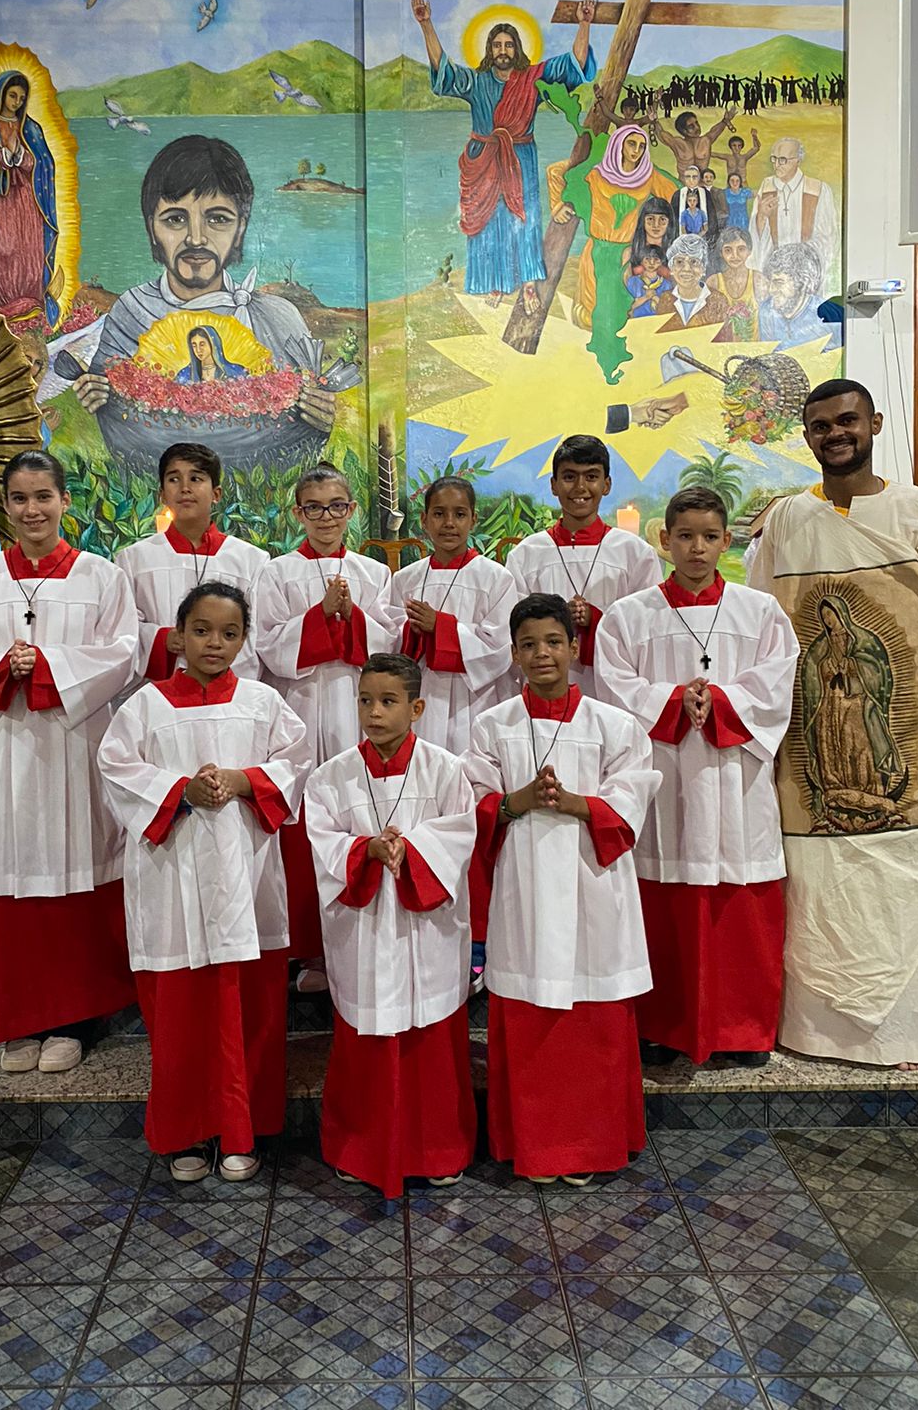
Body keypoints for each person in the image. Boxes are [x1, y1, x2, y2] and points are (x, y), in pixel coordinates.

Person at [747, 379, 918, 1068]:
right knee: (820, 880)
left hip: (901, 740)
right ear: (808, 437)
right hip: (812, 743)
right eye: (820, 426)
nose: (835, 434)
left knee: (906, 875)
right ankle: (813, 1030)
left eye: (846, 420)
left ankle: (907, 1035)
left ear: (874, 423)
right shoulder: (788, 519)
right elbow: (762, 634)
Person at [0, 451, 139, 1073]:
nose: (32, 510)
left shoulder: (103, 578)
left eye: (44, 496)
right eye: (20, 499)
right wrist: (2, 668)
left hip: (73, 751)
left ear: (65, 500)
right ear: (6, 506)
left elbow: (122, 654)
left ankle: (74, 1020)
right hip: (5, 754)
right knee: (12, 882)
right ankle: (19, 1022)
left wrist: (45, 668)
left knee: (76, 879)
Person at [98, 583, 309, 1183]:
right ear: (178, 635)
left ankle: (243, 1131)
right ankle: (188, 1130)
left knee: (250, 1006)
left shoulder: (265, 703)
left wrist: (244, 781)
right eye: (201, 631)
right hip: (173, 878)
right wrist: (179, 792)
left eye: (229, 633)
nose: (214, 644)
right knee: (181, 1012)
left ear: (245, 640)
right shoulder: (143, 707)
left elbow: (297, 761)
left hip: (247, 877)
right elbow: (115, 769)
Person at [595, 487, 799, 1067]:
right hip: (666, 779)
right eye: (685, 536)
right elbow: (614, 690)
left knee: (740, 897)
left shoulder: (758, 612)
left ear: (727, 539)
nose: (697, 548)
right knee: (664, 904)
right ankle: (666, 1024)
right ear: (664, 541)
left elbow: (778, 680)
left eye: (710, 536)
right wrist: (673, 702)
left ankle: (742, 1028)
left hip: (736, 779)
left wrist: (725, 704)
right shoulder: (630, 616)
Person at [464, 593, 660, 1183]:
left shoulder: (613, 724)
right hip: (524, 888)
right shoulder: (492, 725)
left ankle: (590, 1146)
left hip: (592, 886)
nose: (541, 653)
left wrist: (578, 804)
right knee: (531, 1017)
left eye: (553, 641)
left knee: (592, 1016)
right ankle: (536, 1146)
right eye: (528, 644)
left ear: (575, 648)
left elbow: (633, 795)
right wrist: (512, 803)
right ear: (515, 653)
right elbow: (470, 802)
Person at [305, 654, 478, 1197]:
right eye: (364, 701)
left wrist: (413, 851)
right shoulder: (330, 775)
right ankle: (361, 1147)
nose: (374, 713)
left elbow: (459, 837)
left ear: (417, 707)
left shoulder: (445, 770)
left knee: (431, 1041)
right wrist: (365, 851)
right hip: (365, 929)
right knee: (363, 1042)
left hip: (425, 932)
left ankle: (437, 1149)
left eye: (388, 701)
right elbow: (322, 842)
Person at [256, 463, 399, 993]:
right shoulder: (276, 572)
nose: (325, 517)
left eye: (336, 506)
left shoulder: (373, 572)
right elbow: (267, 644)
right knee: (306, 826)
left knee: (356, 818)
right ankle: (312, 952)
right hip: (302, 708)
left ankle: (361, 934)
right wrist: (320, 616)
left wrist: (351, 617)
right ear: (298, 512)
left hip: (359, 709)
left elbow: (388, 641)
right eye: (313, 507)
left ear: (351, 511)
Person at [72, 136, 315, 413]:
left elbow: (307, 410)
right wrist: (95, 395)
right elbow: (107, 411)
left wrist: (318, 410)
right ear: (152, 228)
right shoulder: (132, 311)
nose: (196, 239)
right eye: (175, 219)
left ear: (241, 229)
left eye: (218, 219)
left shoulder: (278, 316)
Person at [411, 0, 598, 314]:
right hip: (483, 159)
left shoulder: (533, 79)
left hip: (520, 158)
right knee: (487, 221)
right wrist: (426, 24)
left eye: (508, 44)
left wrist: (584, 24)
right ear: (489, 49)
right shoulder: (477, 81)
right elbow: (444, 73)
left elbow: (574, 65)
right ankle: (494, 283)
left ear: (517, 48)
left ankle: (527, 283)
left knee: (523, 221)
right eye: (497, 45)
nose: (502, 50)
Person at [505, 435, 662, 700]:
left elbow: (649, 631)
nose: (580, 487)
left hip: (616, 693)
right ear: (554, 485)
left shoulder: (635, 553)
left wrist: (596, 621)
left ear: (607, 484)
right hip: (546, 693)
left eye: (591, 476)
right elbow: (514, 629)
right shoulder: (527, 555)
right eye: (569, 477)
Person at [115, 442, 267, 685]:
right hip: (159, 693)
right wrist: (163, 639)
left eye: (196, 478)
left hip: (227, 696)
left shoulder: (250, 560)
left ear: (216, 494)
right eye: (174, 479)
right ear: (162, 494)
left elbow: (257, 634)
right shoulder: (134, 559)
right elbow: (122, 630)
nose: (185, 488)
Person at [389, 477, 517, 754]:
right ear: (424, 520)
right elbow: (390, 641)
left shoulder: (496, 578)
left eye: (459, 514)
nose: (449, 523)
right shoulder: (405, 579)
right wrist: (413, 632)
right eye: (439, 514)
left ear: (473, 519)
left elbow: (499, 647)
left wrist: (440, 626)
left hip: (474, 698)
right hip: (422, 693)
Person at [548, 126, 678, 370]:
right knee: (590, 315)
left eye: (641, 146)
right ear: (618, 144)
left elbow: (678, 196)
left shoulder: (648, 175)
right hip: (597, 251)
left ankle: (619, 368)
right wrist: (557, 206)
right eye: (631, 144)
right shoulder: (596, 173)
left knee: (622, 315)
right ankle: (591, 370)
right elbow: (555, 172)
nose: (636, 151)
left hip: (626, 255)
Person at [0, 70, 59, 327]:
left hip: (28, 200)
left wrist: (25, 159)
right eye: (12, 95)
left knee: (29, 249)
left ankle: (31, 307)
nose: (16, 102)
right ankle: (2, 308)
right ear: (0, 95)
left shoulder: (31, 128)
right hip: (0, 200)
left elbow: (45, 164)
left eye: (21, 97)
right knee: (4, 248)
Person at [748, 137, 839, 288]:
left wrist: (797, 263)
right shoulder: (767, 186)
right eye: (774, 159)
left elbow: (827, 238)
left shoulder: (818, 189)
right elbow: (755, 237)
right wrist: (762, 216)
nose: (776, 165)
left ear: (798, 160)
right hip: (774, 275)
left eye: (783, 159)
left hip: (804, 275)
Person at [758, 242, 842, 352]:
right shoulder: (766, 311)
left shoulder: (829, 315)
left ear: (802, 282)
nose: (771, 290)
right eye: (770, 282)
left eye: (779, 282)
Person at [651, 235, 733, 339]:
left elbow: (725, 343)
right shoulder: (665, 299)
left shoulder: (718, 301)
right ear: (671, 268)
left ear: (703, 269)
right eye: (679, 262)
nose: (687, 269)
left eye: (694, 262)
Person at [707, 226, 760, 343]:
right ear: (721, 253)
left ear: (749, 251)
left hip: (753, 350)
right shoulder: (714, 282)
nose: (735, 256)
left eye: (741, 249)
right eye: (728, 250)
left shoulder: (758, 279)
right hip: (723, 350)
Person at [651, 105, 738, 176]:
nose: (697, 127)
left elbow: (715, 131)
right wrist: (654, 120)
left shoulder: (705, 141)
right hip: (684, 186)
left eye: (696, 123)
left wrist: (726, 120)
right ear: (683, 131)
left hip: (702, 186)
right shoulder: (678, 143)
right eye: (691, 126)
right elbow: (661, 134)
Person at [176, 323, 248, 384]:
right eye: (194, 345)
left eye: (202, 344)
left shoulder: (235, 371)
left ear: (213, 344)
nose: (198, 350)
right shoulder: (184, 375)